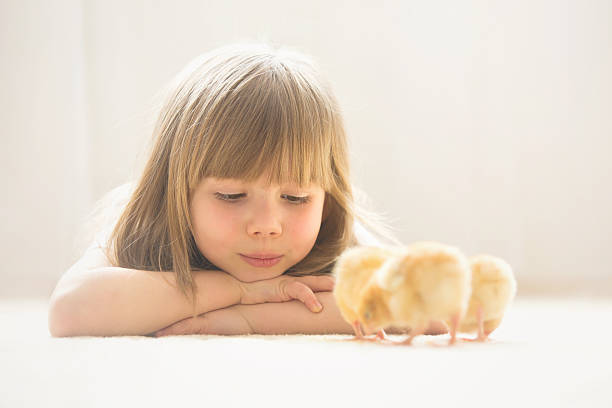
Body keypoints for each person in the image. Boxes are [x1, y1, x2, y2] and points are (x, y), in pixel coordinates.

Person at [48, 42, 444, 338]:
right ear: (174, 191)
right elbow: (72, 312)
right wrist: (238, 290)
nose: (267, 226)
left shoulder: (336, 231)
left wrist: (249, 318)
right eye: (232, 196)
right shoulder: (140, 223)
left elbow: (431, 306)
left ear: (327, 195)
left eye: (296, 198)